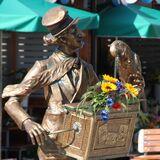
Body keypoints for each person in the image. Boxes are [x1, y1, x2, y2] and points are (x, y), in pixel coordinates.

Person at [2, 7, 98, 160]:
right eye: (74, 32)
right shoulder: (43, 66)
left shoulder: (87, 68)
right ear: (62, 39)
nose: (81, 34)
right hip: (53, 143)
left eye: (78, 29)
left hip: (82, 142)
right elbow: (11, 102)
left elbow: (101, 99)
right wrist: (27, 122)